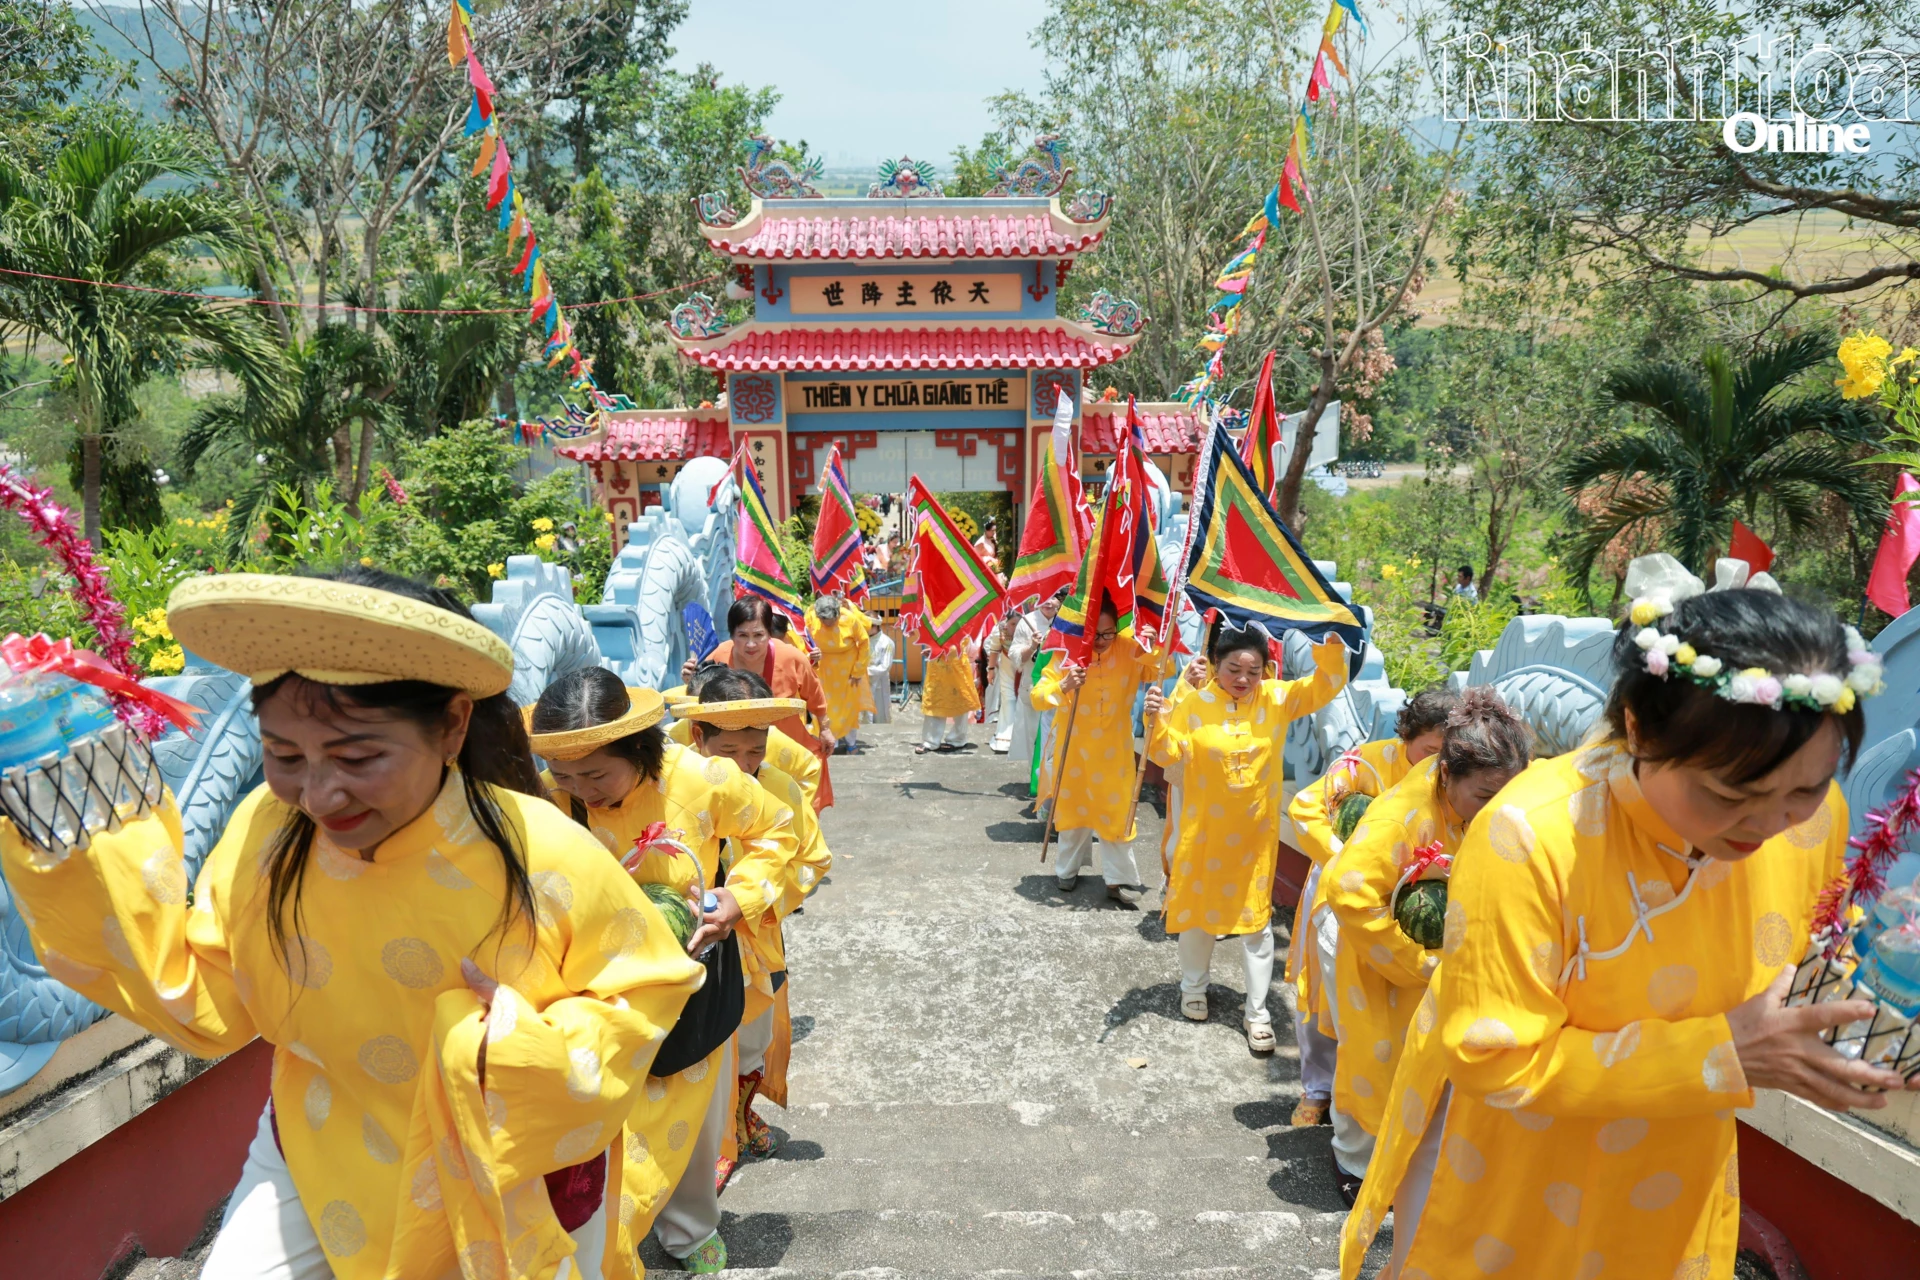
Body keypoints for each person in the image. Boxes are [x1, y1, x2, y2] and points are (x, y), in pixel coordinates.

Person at [0, 568, 708, 1280]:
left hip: (508, 1162)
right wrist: (90, 865)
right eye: (283, 755)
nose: (316, 792)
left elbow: (646, 991)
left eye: (358, 756)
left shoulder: (543, 855)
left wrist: (521, 1049)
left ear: (453, 725)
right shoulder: (267, 834)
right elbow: (206, 993)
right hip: (319, 1141)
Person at [1339, 572, 1916, 1280]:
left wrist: (1863, 1008)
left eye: (1804, 789)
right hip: (1514, 1173)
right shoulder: (1531, 836)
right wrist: (1720, 1055)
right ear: (1640, 730)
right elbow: (1496, 1059)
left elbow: (1788, 968)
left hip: (1671, 1171)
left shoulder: (1811, 825)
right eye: (1731, 793)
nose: (1771, 826)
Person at [532, 666, 803, 1275]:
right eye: (566, 774)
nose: (581, 789)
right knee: (602, 1123)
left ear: (641, 749)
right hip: (594, 989)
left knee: (694, 1120)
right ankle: (605, 1240)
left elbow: (776, 830)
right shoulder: (551, 797)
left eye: (597, 774)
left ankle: (690, 1229)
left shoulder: (704, 780)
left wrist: (739, 898)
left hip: (691, 981)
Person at [1322, 688, 1530, 1207]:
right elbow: (1348, 889)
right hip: (1368, 944)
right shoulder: (1403, 815)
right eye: (1485, 796)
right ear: (1446, 775)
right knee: (1373, 1051)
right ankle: (1351, 1161)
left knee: (1418, 1057)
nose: (1496, 809)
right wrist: (1412, 961)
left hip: (1427, 959)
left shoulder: (1477, 802)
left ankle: (1403, 1158)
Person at [1145, 622, 1347, 1047]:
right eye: (1234, 668)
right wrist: (1155, 719)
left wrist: (1329, 645)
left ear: (1266, 672)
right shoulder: (1195, 704)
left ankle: (1257, 1013)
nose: (1243, 679)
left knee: (1256, 925)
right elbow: (1167, 753)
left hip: (1254, 836)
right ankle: (1193, 989)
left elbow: (1324, 687)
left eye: (1253, 672)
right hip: (1203, 833)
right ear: (1216, 665)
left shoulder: (1276, 699)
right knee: (1199, 916)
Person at [672, 670, 834, 1187]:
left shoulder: (780, 788)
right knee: (702, 1044)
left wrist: (754, 904)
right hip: (688, 946)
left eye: (756, 751)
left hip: (756, 939)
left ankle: (739, 1119)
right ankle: (711, 1142)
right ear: (699, 738)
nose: (746, 766)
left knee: (750, 1039)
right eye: (731, 753)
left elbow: (811, 863)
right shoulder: (674, 787)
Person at [1283, 688, 1460, 1129]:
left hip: (1405, 913)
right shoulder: (1362, 764)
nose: (1437, 764)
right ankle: (1317, 1089)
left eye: (1447, 754)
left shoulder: (1457, 782)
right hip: (1343, 897)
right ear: (1406, 736)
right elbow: (1305, 808)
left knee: (1378, 1017)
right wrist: (1346, 856)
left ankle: (1369, 1100)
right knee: (1323, 999)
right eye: (1429, 751)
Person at [1034, 602, 1162, 904]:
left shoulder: (1129, 646)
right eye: (1095, 634)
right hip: (1074, 747)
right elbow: (1038, 696)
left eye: (1108, 633)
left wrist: (1153, 646)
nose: (1102, 641)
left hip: (1115, 748)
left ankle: (1120, 879)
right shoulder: (1067, 651)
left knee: (1117, 813)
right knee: (1073, 808)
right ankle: (1067, 870)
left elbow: (1158, 670)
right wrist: (1064, 685)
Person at [686, 598, 834, 808]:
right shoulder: (718, 657)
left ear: (769, 633)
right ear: (731, 634)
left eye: (758, 635)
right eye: (742, 635)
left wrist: (825, 728)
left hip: (785, 757)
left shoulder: (792, 658)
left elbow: (814, 692)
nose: (751, 644)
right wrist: (691, 680)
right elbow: (700, 697)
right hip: (733, 761)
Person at [806, 593, 873, 754]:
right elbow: (803, 640)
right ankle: (829, 743)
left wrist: (858, 670)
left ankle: (851, 743)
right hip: (822, 670)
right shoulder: (810, 616)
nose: (828, 624)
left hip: (847, 672)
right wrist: (810, 655)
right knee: (822, 707)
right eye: (824, 622)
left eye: (832, 621)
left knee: (848, 708)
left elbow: (864, 643)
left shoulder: (849, 618)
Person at [918, 636, 980, 753]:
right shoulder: (935, 622)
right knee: (934, 702)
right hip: (937, 669)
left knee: (960, 703)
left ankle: (958, 739)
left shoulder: (961, 622)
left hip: (957, 668)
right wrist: (934, 651)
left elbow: (962, 645)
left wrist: (937, 651)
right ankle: (930, 741)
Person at [984, 613, 1020, 753]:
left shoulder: (1029, 629)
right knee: (1009, 699)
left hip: (1025, 669)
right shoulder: (999, 630)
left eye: (1018, 624)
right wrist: (991, 670)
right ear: (1007, 623)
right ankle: (1006, 738)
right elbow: (994, 651)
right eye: (1012, 624)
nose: (1016, 627)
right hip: (1006, 668)